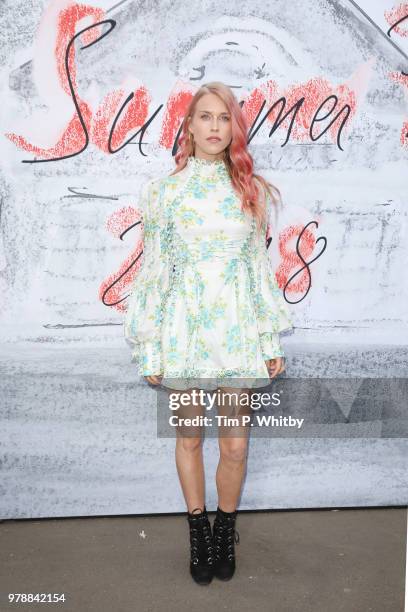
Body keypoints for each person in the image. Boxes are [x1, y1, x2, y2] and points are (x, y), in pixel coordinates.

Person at [124, 81, 293, 585]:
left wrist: (268, 340)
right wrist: (150, 345)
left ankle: (225, 529)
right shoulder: (164, 192)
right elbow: (155, 270)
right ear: (189, 125)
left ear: (233, 128)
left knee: (236, 446)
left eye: (224, 118)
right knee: (190, 437)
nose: (215, 127)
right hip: (183, 332)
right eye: (206, 117)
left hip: (239, 331)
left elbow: (257, 269)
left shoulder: (253, 190)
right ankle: (197, 531)